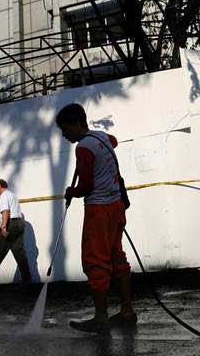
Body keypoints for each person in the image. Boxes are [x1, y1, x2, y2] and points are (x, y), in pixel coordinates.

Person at [55, 103, 137, 335]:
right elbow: (114, 141)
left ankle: (101, 318)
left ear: (76, 123)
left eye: (64, 129)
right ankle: (127, 311)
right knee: (116, 257)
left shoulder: (83, 147)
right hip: (116, 207)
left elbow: (87, 186)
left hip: (99, 210)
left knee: (95, 261)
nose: (64, 135)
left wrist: (72, 192)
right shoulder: (101, 137)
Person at [0, 179, 32, 283]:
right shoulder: (12, 195)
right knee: (19, 252)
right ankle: (27, 277)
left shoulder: (3, 195)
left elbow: (6, 211)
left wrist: (3, 226)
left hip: (11, 225)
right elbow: (14, 212)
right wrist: (2, 224)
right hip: (19, 224)